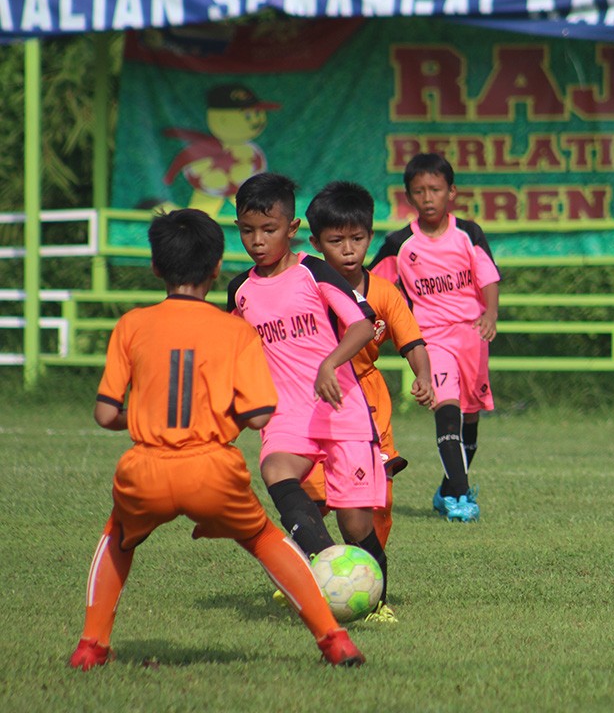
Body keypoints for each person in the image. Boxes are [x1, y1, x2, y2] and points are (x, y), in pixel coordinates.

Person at [69, 209, 364, 671]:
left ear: (156, 267)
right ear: (213, 270)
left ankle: (91, 646)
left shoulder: (132, 325)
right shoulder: (236, 330)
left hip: (145, 467)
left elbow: (105, 413)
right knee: (266, 539)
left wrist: (148, 416)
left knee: (118, 538)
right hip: (212, 468)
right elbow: (259, 415)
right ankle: (334, 640)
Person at [226, 173, 391, 608]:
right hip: (286, 415)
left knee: (357, 524)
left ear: (292, 228)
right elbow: (234, 352)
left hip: (340, 408)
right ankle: (323, 568)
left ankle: (376, 603)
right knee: (275, 469)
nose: (257, 241)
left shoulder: (313, 271)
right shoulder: (239, 290)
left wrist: (330, 362)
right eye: (247, 230)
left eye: (269, 229)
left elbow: (360, 323)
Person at [300, 180, 435, 620]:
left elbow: (411, 339)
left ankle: (373, 592)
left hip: (369, 406)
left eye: (357, 239)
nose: (348, 249)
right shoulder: (304, 287)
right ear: (315, 243)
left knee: (376, 505)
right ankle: (313, 577)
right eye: (336, 241)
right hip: (314, 403)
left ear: (370, 237)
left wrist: (425, 375)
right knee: (313, 498)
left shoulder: (383, 292)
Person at [370, 153, 500, 523]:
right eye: (419, 191)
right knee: (447, 410)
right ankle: (460, 496)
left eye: (435, 189)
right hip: (430, 339)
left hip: (472, 337)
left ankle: (447, 488)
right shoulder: (400, 243)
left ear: (451, 192)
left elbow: (488, 278)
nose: (428, 197)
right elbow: (372, 284)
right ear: (409, 197)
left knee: (470, 419)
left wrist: (490, 314)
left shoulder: (469, 233)